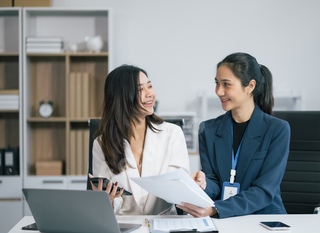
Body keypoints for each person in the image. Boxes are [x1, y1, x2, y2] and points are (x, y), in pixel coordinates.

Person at [177, 52, 290, 218]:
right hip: (224, 220)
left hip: (264, 218)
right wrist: (203, 184)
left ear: (250, 86)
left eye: (226, 84)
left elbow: (264, 191)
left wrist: (217, 209)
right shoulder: (207, 130)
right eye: (217, 83)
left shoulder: (277, 129)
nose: (219, 91)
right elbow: (214, 183)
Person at [89, 64, 190, 215]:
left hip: (162, 223)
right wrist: (108, 201)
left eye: (150, 86)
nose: (150, 94)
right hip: (124, 225)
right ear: (121, 97)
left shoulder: (172, 134)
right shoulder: (102, 144)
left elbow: (178, 192)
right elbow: (113, 202)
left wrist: (189, 185)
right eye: (140, 90)